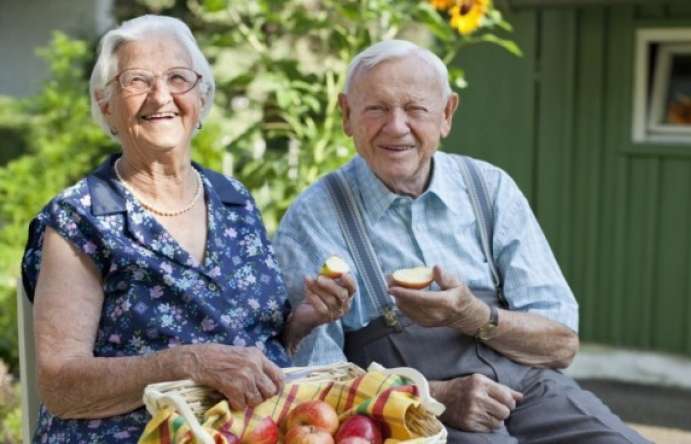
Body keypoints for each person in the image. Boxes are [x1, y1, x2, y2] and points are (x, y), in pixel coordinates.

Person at [274, 39, 650, 443]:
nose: (396, 126)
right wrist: (434, 394)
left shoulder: (488, 189)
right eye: (377, 109)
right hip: (416, 412)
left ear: (447, 114)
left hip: (530, 390)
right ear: (347, 115)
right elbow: (315, 379)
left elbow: (560, 345)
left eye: (415, 108)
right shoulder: (317, 216)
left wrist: (474, 315)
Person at [21, 15, 352, 443]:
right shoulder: (81, 217)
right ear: (106, 105)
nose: (161, 96)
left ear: (201, 97)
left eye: (178, 78)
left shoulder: (233, 198)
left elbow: (253, 339)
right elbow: (61, 386)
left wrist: (305, 319)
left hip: (256, 431)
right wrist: (187, 363)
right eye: (137, 81)